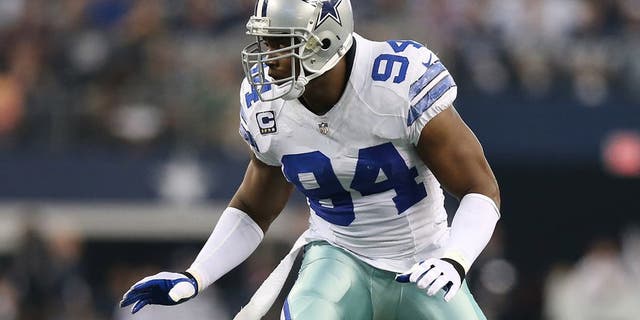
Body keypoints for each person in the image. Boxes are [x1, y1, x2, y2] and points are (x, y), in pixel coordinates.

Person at [120, 0, 501, 319]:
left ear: (323, 41)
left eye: (279, 44)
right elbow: (255, 207)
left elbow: (480, 187)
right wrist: (196, 275)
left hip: (423, 262)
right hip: (337, 256)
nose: (267, 59)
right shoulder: (266, 106)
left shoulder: (396, 82)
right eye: (265, 43)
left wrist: (455, 257)